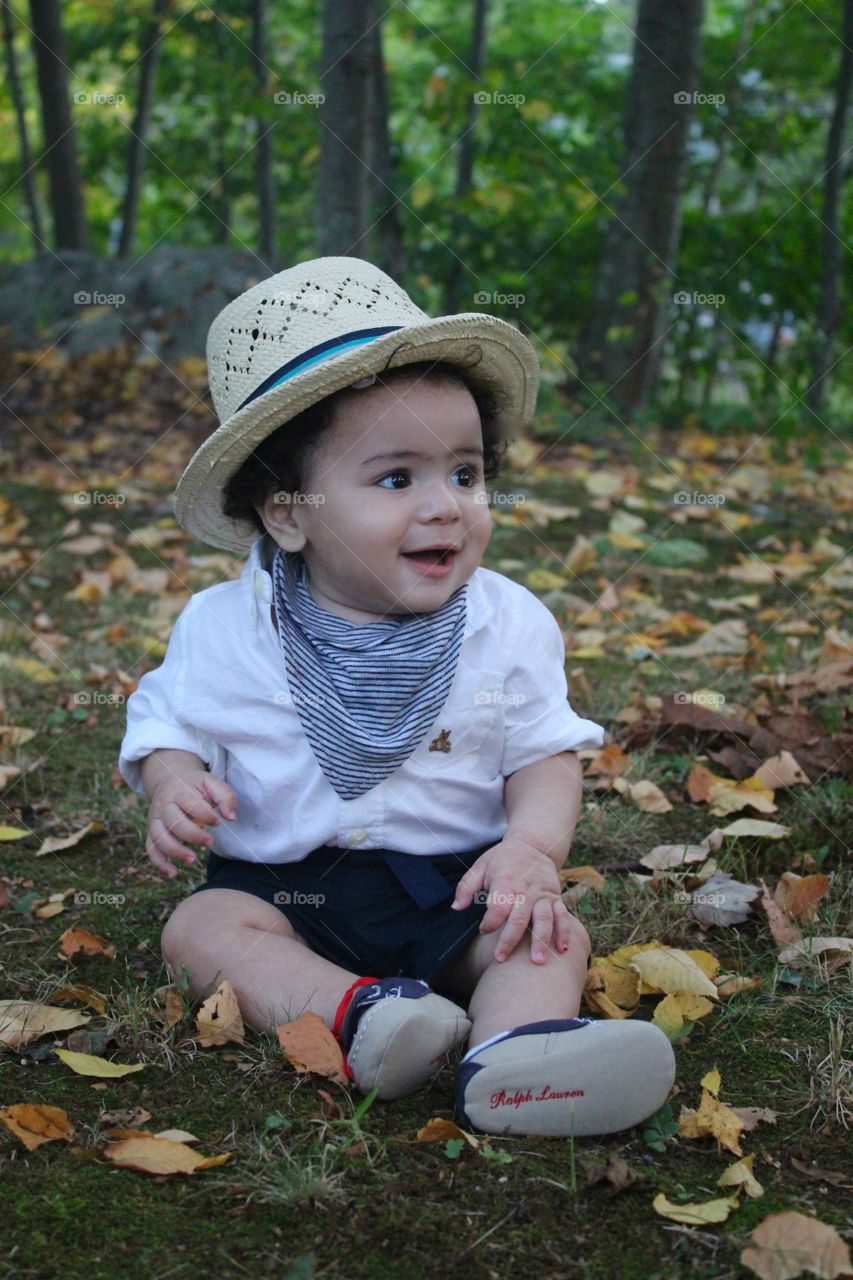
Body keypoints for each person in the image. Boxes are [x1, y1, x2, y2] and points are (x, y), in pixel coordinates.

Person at [118, 256, 675, 1138]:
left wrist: (530, 849)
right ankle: (368, 1016)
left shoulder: (507, 623)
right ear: (288, 513)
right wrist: (173, 782)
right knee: (200, 927)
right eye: (395, 479)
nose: (447, 507)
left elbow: (545, 755)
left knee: (545, 935)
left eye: (464, 472)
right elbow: (166, 721)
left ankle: (519, 1058)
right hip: (278, 888)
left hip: (454, 887)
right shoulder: (224, 627)